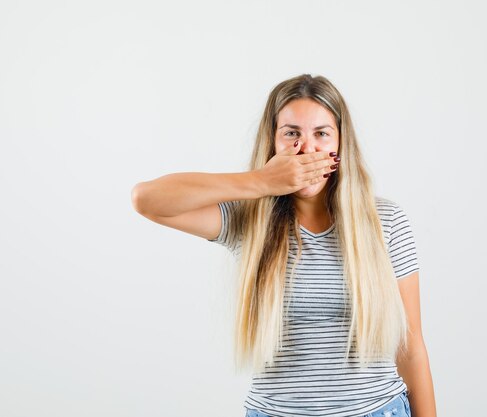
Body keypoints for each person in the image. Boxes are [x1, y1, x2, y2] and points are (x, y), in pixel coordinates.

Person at [131, 74, 437, 417]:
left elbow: (411, 347)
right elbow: (147, 199)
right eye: (291, 134)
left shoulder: (386, 221)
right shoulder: (248, 222)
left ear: (341, 144)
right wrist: (260, 182)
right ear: (273, 143)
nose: (306, 149)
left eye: (321, 134)